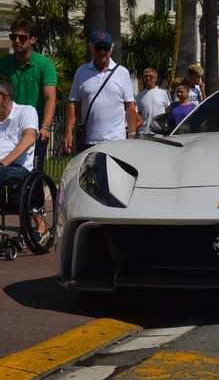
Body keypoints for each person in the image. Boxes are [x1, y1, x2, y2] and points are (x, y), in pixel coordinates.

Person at [63, 29, 137, 153]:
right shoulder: (81, 72)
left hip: (116, 141)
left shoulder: (122, 72)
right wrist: (68, 132)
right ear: (91, 49)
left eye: (106, 48)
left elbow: (130, 105)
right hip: (89, 141)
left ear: (111, 50)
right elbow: (73, 104)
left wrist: (132, 134)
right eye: (98, 47)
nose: (102, 52)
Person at [0, 18, 57, 171]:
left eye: (22, 37)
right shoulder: (3, 64)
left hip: (34, 129)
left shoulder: (44, 64)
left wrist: (45, 126)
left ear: (32, 40)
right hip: (8, 128)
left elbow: (50, 98)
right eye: (13, 37)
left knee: (33, 173)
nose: (16, 40)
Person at [0, 76, 49, 244]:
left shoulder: (26, 111)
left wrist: (4, 162)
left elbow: (29, 139)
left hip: (19, 169)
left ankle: (40, 226)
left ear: (3, 97)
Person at [136, 67, 171, 136]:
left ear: (156, 78)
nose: (148, 78)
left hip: (159, 133)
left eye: (150, 76)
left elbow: (168, 110)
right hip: (144, 132)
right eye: (146, 76)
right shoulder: (140, 95)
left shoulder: (163, 92)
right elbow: (138, 113)